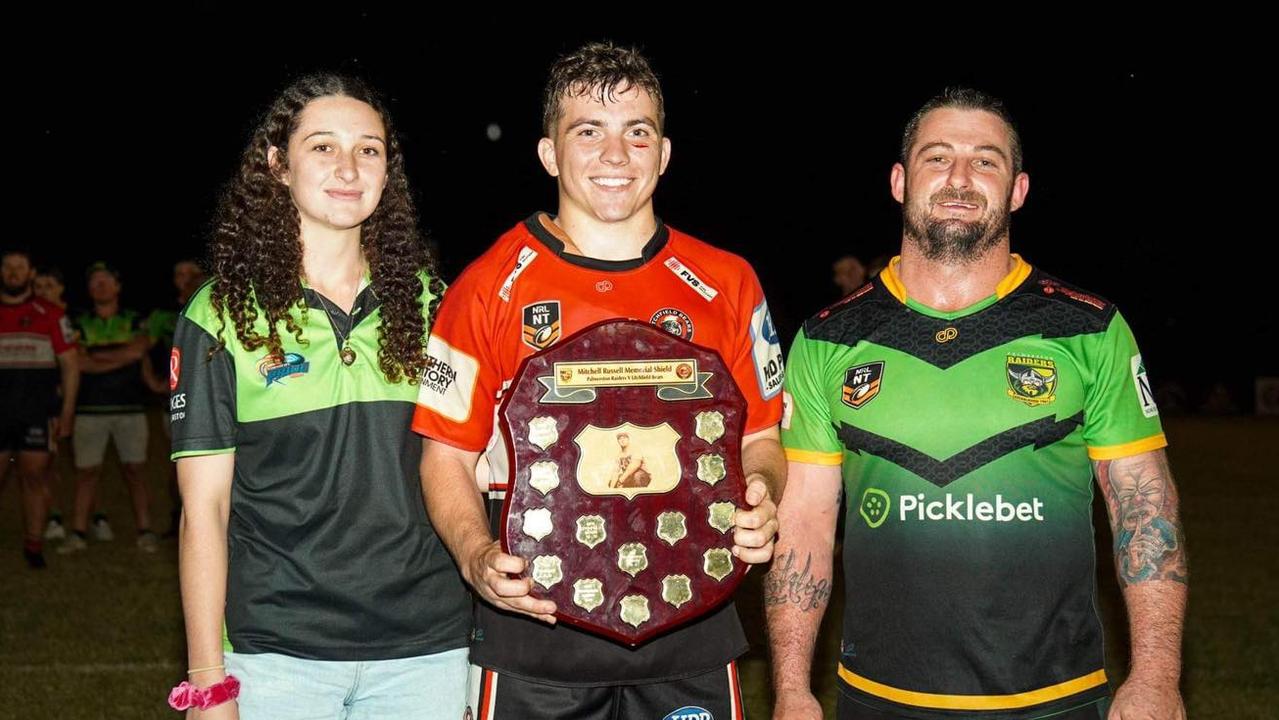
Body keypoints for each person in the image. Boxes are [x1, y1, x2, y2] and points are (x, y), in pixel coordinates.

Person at [768, 88, 1188, 720]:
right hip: (878, 700)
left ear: (1017, 189)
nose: (960, 178)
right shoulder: (827, 337)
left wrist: (1156, 674)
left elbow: (1143, 505)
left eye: (985, 161)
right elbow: (803, 521)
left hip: (1056, 699)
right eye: (937, 158)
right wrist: (793, 688)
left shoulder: (1089, 328)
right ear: (899, 180)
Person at [413, 42, 786, 720]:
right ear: (550, 154)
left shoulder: (728, 282)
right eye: (588, 132)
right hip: (536, 629)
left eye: (635, 133)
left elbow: (761, 436)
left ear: (663, 152)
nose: (615, 155)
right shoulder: (485, 287)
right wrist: (473, 555)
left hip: (690, 627)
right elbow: (445, 452)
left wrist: (763, 495)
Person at [169, 73, 469, 719]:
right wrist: (207, 680)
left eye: (368, 149)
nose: (348, 167)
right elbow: (205, 510)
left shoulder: (434, 305)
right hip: (278, 654)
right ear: (278, 166)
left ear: (388, 171)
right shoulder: (219, 316)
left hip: (429, 651)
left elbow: (471, 466)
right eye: (322, 147)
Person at [60, 262, 157, 553]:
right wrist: (122, 356)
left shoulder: (135, 318)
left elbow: (139, 350)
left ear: (117, 286)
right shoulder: (77, 322)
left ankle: (145, 530)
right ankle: (78, 532)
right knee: (86, 472)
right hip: (89, 410)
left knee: (135, 470)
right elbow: (78, 361)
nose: (100, 286)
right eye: (94, 282)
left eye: (105, 281)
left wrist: (97, 358)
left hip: (131, 409)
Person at [0, 249, 79, 568]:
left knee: (33, 478)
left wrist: (67, 412)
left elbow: (71, 367)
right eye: (7, 267)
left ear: (31, 273)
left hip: (37, 413)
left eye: (20, 267)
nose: (13, 272)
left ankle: (34, 545)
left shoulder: (50, 314)